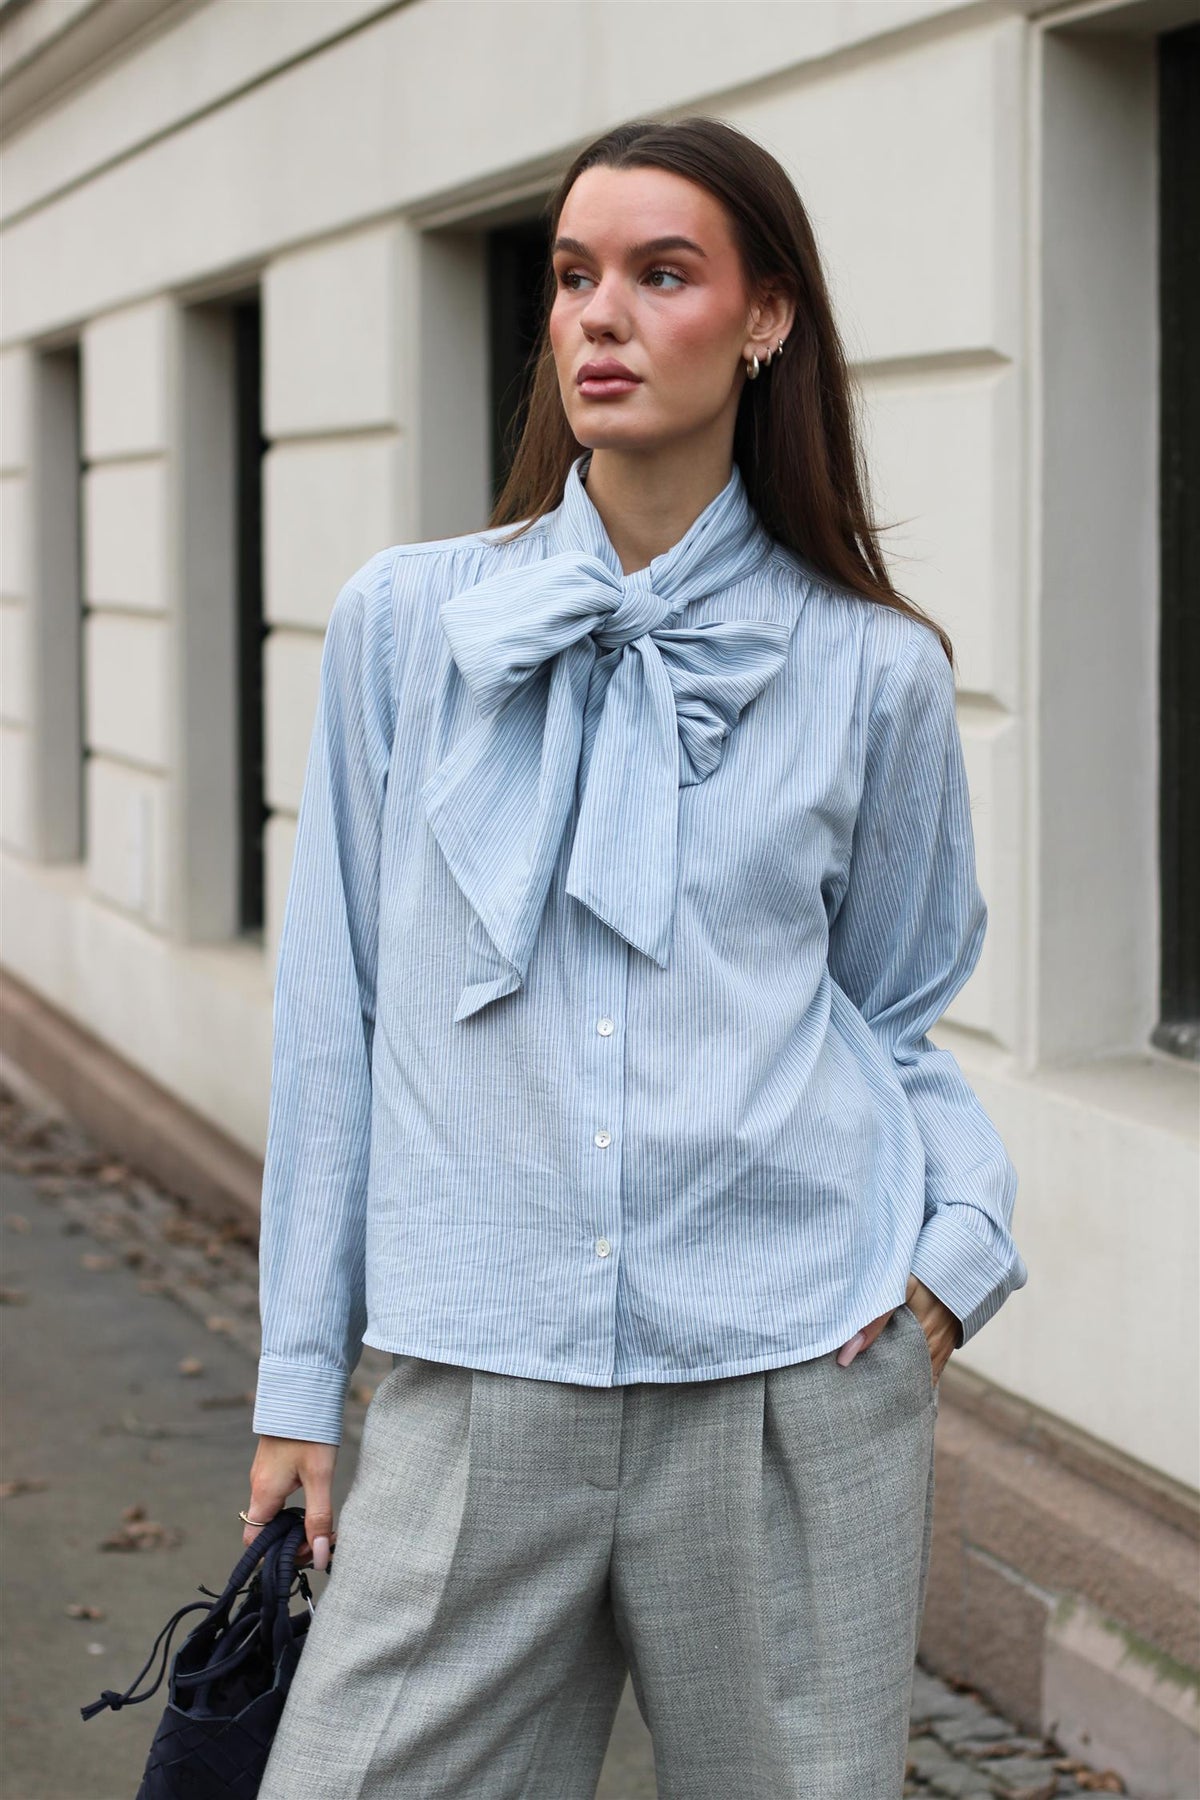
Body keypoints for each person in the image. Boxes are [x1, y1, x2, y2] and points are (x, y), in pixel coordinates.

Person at [242, 114, 1026, 1800]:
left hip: (785, 1378)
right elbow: (334, 1015)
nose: (599, 314)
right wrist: (299, 1379)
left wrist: (953, 1256)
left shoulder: (874, 670)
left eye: (662, 274)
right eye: (573, 275)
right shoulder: (407, 628)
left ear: (765, 319)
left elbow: (890, 1011)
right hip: (478, 1378)